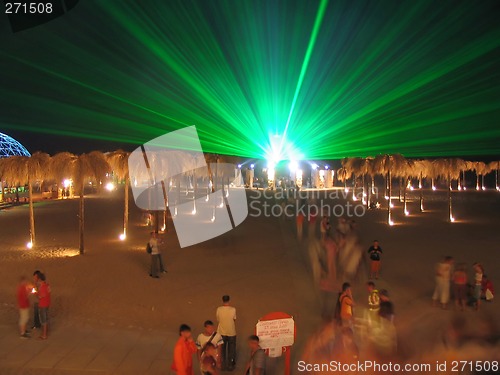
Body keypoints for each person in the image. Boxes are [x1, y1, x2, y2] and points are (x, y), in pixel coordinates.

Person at [216, 295, 236, 371]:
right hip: (231, 332)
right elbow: (234, 319)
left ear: (222, 300)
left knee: (222, 349)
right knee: (231, 349)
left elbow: (218, 319)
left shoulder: (219, 309)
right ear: (229, 300)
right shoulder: (233, 309)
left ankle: (222, 364)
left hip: (221, 332)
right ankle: (231, 365)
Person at [35, 272, 50, 340]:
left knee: (44, 320)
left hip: (43, 305)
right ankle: (45, 332)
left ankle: (44, 335)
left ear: (40, 279)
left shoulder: (43, 287)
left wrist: (35, 293)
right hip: (47, 304)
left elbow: (40, 296)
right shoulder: (47, 285)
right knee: (46, 318)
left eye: (38, 280)